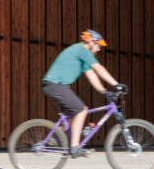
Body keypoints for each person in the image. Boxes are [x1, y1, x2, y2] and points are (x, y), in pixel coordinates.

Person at [41, 28, 123, 157]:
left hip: (57, 86)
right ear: (90, 42)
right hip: (54, 85)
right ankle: (74, 148)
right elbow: (99, 68)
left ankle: (57, 136)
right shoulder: (81, 50)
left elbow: (92, 75)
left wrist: (104, 91)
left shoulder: (81, 54)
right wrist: (116, 84)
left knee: (75, 114)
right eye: (98, 45)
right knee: (82, 110)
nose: (99, 48)